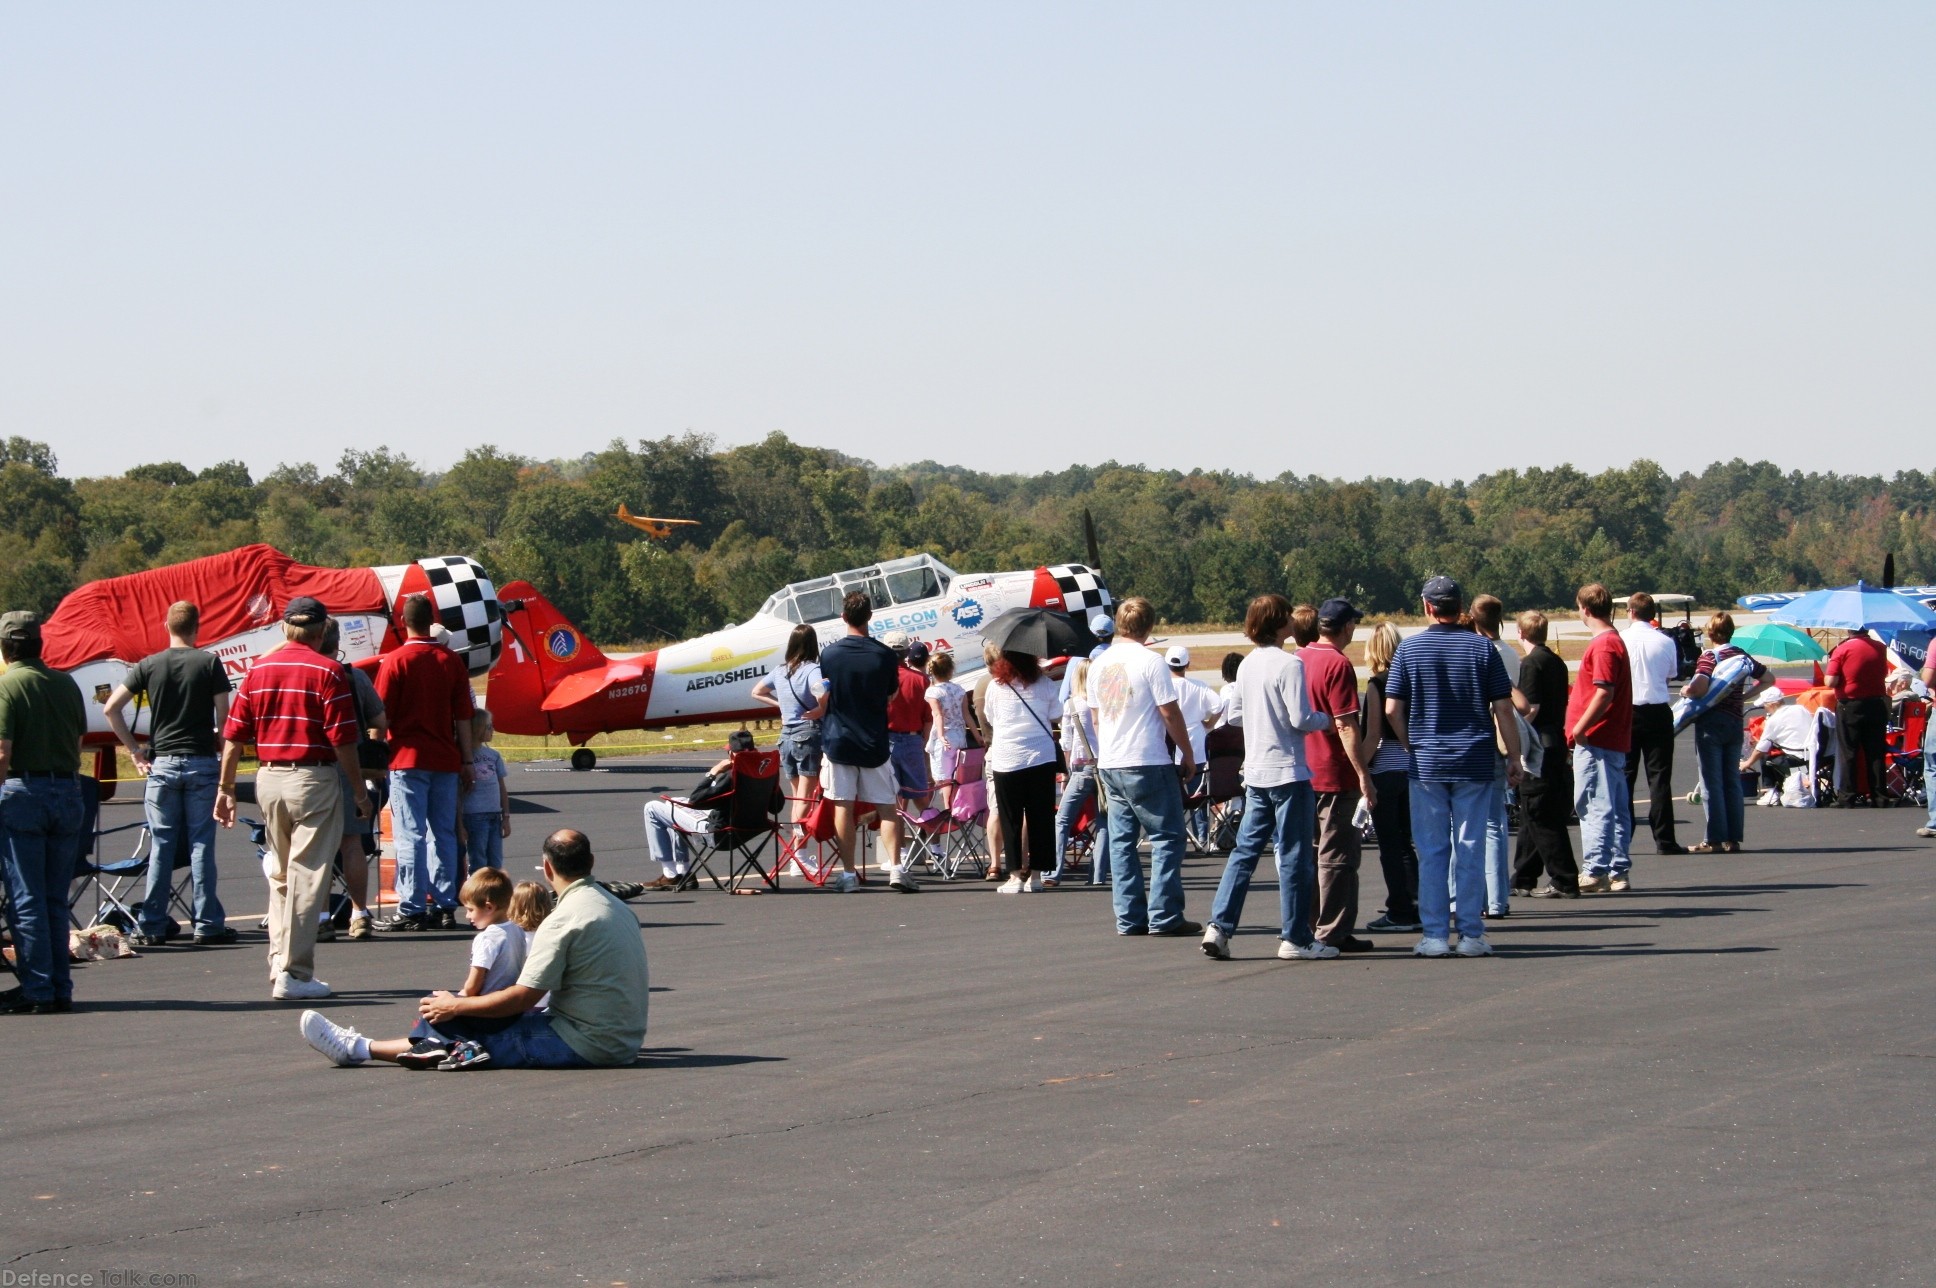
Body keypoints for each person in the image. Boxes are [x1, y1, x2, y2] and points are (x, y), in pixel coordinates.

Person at [299, 829, 650, 1070]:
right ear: (590, 862)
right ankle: (416, 1045)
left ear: (547, 868)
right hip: (623, 1037)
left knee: (453, 1024)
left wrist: (457, 1004)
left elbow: (522, 998)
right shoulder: (615, 906)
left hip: (587, 1043)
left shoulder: (562, 920)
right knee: (455, 1019)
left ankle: (359, 1049)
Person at [214, 596, 370, 1000]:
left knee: (281, 874)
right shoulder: (329, 671)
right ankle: (295, 973)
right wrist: (357, 790)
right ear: (320, 633)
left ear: (284, 629)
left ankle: (278, 962)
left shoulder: (258, 670)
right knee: (309, 877)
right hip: (312, 778)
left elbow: (233, 736)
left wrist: (226, 788)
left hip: (268, 778)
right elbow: (344, 742)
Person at [1382, 576, 1522, 958]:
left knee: (1431, 850)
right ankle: (1472, 933)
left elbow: (1392, 709)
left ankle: (1434, 934)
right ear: (1459, 606)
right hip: (1474, 758)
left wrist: (1411, 742)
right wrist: (1514, 756)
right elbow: (1504, 707)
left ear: (1428, 607)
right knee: (1470, 846)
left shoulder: (1409, 650)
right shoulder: (1482, 648)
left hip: (1427, 761)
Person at [1201, 594, 1334, 961]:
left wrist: (1264, 720)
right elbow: (1301, 719)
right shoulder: (1289, 665)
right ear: (1279, 623)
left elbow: (1237, 715)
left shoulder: (1246, 666)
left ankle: (1220, 926)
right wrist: (1328, 720)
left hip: (1256, 771)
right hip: (1288, 771)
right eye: (1287, 616)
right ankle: (1295, 936)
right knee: (1293, 856)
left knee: (1245, 853)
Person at [101, 600, 236, 947]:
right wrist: (221, 744)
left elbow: (111, 708)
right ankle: (207, 922)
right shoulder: (209, 663)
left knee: (162, 844)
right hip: (201, 761)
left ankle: (153, 922)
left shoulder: (148, 664)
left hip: (162, 764)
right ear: (197, 627)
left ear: (166, 626)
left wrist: (134, 749)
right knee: (201, 844)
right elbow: (225, 714)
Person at [1089, 597, 1200, 937]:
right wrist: (1188, 752)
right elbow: (1169, 711)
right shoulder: (1151, 662)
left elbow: (1095, 716)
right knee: (1167, 837)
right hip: (1146, 758)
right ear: (1149, 627)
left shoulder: (1100, 663)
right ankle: (1165, 914)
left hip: (1112, 760)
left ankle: (1129, 916)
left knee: (1122, 842)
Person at [0, 611, 90, 1014]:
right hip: (68, 789)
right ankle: (59, 986)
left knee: (26, 899)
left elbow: (3, 751)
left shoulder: (7, 687)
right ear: (40, 644)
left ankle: (38, 988)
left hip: (24, 792)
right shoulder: (66, 684)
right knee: (55, 898)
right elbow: (79, 736)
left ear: (5, 648)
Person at [376, 593, 477, 931]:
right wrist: (467, 759)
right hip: (445, 758)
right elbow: (464, 717)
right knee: (444, 834)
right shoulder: (449, 661)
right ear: (431, 620)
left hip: (406, 759)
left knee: (410, 835)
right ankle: (447, 902)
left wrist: (376, 755)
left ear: (403, 621)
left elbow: (381, 716)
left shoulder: (395, 661)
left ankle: (413, 904)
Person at [819, 593, 914, 893]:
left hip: (840, 739)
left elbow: (825, 691)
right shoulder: (884, 655)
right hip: (874, 739)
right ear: (869, 617)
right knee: (887, 807)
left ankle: (848, 874)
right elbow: (891, 694)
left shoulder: (830, 655)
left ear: (844, 617)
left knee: (843, 807)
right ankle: (896, 868)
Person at [1303, 598, 1377, 953]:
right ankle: (1331, 929)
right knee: (1338, 857)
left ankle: (1309, 922)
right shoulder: (1338, 663)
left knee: (1312, 852)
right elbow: (1346, 723)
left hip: (1303, 770)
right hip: (1333, 771)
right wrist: (1363, 773)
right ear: (1346, 627)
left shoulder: (1300, 658)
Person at [320, 617, 387, 941]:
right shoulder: (354, 676)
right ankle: (359, 913)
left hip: (312, 766)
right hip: (351, 767)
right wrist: (371, 747)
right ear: (337, 642)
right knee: (352, 843)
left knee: (317, 846)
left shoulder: (305, 673)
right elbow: (378, 719)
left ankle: (319, 916)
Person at [1568, 584, 1636, 891]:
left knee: (1594, 803)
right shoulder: (1612, 641)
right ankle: (1616, 867)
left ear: (1585, 608)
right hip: (1609, 737)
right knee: (1614, 804)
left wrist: (1581, 727)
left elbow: (1603, 691)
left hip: (1598, 738)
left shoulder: (1604, 645)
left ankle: (1595, 868)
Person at [1683, 612, 1769, 854]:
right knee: (1731, 780)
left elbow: (1699, 686)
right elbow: (1768, 678)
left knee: (1711, 782)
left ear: (1710, 633)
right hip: (1734, 721)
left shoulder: (1710, 656)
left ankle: (1714, 838)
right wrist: (1742, 696)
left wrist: (1687, 692)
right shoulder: (1741, 655)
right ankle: (1733, 838)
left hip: (1712, 722)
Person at [1509, 611, 1579, 898]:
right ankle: (1524, 875)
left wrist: (1512, 735)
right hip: (1556, 739)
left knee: (1541, 814)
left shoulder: (1531, 664)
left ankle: (1564, 877)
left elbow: (1530, 708)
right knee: (1531, 813)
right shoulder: (1556, 661)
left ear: (1520, 634)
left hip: (1540, 745)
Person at [984, 649, 1064, 893]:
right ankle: (1037, 877)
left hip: (1007, 757)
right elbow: (1056, 714)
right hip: (1041, 756)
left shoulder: (996, 686)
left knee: (1011, 818)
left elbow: (990, 717)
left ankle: (1015, 876)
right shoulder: (1046, 684)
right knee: (1040, 817)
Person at [1360, 621, 1420, 932]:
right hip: (1412, 768)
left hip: (1385, 768)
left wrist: (1358, 768)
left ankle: (1398, 908)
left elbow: (1372, 736)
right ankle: (1414, 901)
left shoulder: (1377, 684)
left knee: (1389, 843)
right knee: (1407, 841)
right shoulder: (1410, 678)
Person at [641, 731, 756, 889]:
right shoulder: (764, 773)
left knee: (652, 808)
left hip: (719, 833)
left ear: (732, 754)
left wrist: (713, 773)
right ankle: (683, 871)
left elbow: (696, 799)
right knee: (676, 803)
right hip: (750, 829)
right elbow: (777, 806)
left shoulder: (730, 776)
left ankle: (670, 873)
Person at [1621, 592, 1685, 854]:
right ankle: (1665, 839)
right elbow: (1671, 674)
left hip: (1628, 711)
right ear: (1653, 615)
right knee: (1659, 778)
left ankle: (1624, 836)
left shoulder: (1621, 639)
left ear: (1631, 612)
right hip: (1657, 709)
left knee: (1625, 776)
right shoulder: (1665, 641)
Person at [750, 624, 828, 835]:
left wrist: (781, 705)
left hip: (786, 736)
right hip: (808, 732)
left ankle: (797, 850)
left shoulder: (779, 670)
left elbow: (757, 691)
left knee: (798, 794)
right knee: (806, 795)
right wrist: (821, 708)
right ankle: (798, 852)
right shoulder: (812, 669)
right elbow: (821, 691)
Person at [1468, 594, 1518, 917]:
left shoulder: (1479, 652)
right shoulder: (1510, 653)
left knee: (1475, 824)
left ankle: (1480, 897)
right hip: (1501, 742)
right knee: (1495, 823)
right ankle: (1499, 897)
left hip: (1483, 735)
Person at [1050, 658, 1112, 887]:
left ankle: (1054, 871)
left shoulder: (1072, 704)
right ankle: (1097, 875)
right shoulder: (1103, 702)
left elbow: (1066, 742)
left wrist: (1065, 774)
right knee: (1103, 823)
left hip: (1080, 767)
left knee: (1063, 820)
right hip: (1103, 766)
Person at [1164, 645, 1223, 849]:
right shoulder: (1198, 686)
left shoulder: (1163, 686)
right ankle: (1203, 837)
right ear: (1187, 664)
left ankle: (1173, 837)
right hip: (1195, 744)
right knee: (1197, 794)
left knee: (1171, 796)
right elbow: (1218, 705)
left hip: (1168, 745)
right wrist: (1208, 724)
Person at [1827, 628, 1890, 807]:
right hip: (1876, 703)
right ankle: (1879, 795)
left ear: (1849, 630)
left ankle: (1848, 796)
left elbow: (1831, 680)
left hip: (1850, 705)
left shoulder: (1842, 649)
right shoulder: (1880, 647)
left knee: (1849, 752)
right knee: (1875, 752)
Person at [1740, 688, 1819, 800]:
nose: (1764, 708)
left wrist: (1747, 763)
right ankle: (1787, 784)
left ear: (1773, 704)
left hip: (1795, 761)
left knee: (1765, 755)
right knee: (1774, 750)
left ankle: (1770, 791)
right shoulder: (1800, 709)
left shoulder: (1774, 720)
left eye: (1765, 705)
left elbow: (1761, 749)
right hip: (1815, 757)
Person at [885, 632, 933, 815]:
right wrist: (925, 745)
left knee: (891, 802)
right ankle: (934, 842)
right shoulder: (920, 680)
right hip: (912, 740)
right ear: (906, 653)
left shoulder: (879, 679)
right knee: (921, 797)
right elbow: (928, 719)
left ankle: (898, 844)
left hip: (886, 742)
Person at [459, 709, 511, 871]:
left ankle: (495, 893)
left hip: (494, 816)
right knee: (478, 860)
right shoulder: (463, 757)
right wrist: (460, 824)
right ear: (478, 729)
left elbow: (501, 787)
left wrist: (506, 816)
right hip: (474, 817)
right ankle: (477, 893)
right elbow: (457, 794)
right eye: (489, 727)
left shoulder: (494, 755)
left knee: (495, 861)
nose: (492, 730)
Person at [924, 650, 968, 802]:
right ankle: (959, 809)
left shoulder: (933, 692)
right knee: (958, 777)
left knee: (945, 780)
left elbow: (938, 715)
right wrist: (976, 736)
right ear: (951, 669)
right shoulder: (959, 689)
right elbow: (966, 715)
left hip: (944, 739)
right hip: (960, 736)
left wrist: (941, 736)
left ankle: (949, 813)